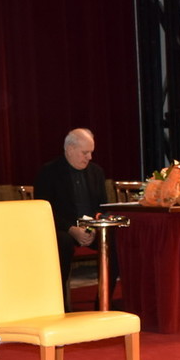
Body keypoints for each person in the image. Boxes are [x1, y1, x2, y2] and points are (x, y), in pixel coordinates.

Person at [33, 127, 117, 309]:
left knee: (115, 242)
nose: (89, 157)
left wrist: (93, 228)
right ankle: (59, 306)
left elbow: (102, 207)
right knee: (62, 244)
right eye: (85, 153)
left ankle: (103, 303)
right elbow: (44, 211)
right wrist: (72, 229)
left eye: (91, 152)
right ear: (70, 149)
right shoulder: (49, 172)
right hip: (63, 229)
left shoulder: (96, 172)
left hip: (91, 229)